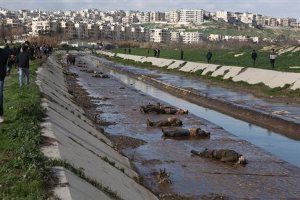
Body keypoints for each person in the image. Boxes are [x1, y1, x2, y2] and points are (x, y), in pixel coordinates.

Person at [0, 47, 9, 123]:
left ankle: (0, 114)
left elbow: (5, 64)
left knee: (0, 95)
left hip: (0, 76)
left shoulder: (4, 53)